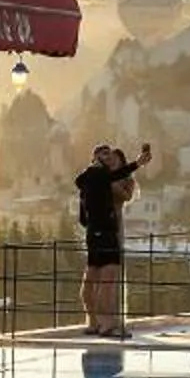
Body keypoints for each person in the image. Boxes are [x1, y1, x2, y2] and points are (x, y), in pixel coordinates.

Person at [73, 141, 151, 336]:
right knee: (107, 280)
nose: (109, 159)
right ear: (97, 159)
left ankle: (97, 322)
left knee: (96, 278)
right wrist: (138, 163)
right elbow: (111, 180)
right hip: (106, 231)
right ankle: (106, 323)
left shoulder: (90, 178)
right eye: (105, 155)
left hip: (96, 231)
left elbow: (83, 215)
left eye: (111, 156)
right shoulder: (100, 176)